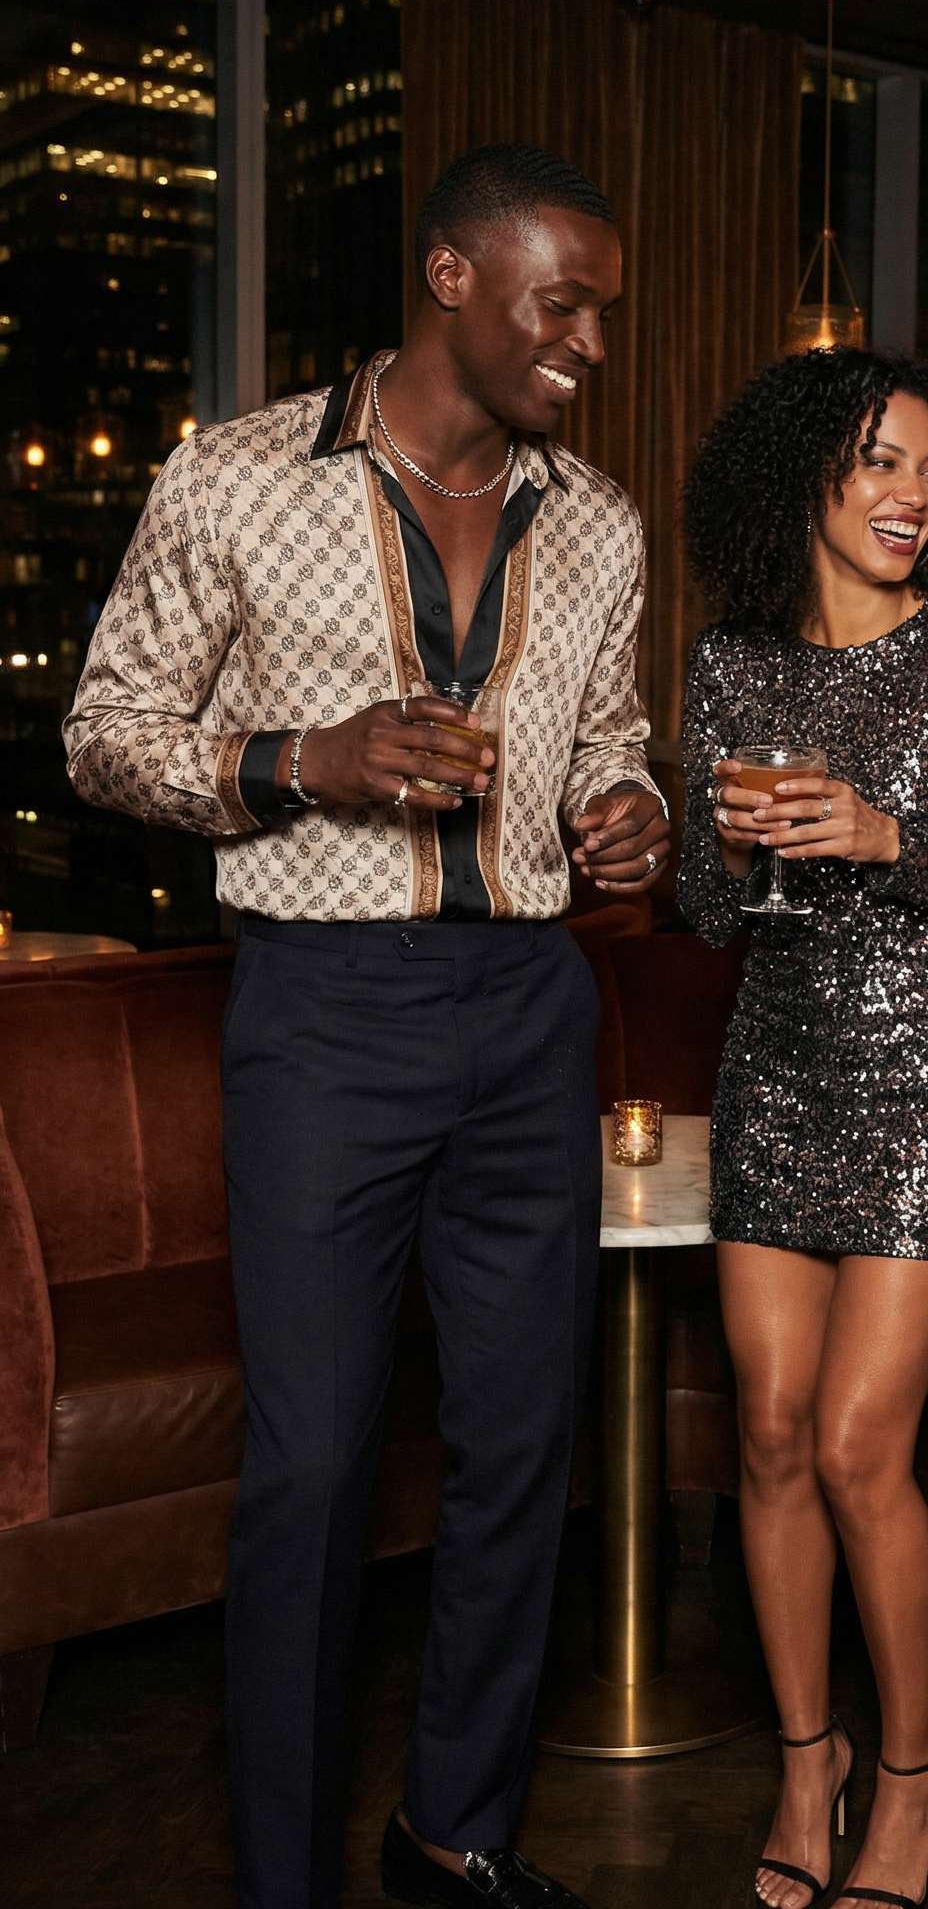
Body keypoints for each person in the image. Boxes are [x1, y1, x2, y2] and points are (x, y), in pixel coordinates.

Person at [63, 143, 672, 1909]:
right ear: (452, 279)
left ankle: (454, 1833)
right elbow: (105, 733)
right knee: (316, 1465)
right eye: (564, 305)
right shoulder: (239, 478)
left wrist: (629, 810)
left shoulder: (602, 521)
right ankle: (284, 1875)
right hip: (324, 1014)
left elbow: (612, 733)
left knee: (523, 1448)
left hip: (535, 1009)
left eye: (604, 314)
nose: (590, 344)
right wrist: (302, 760)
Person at [675, 347, 928, 1909]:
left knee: (854, 1444)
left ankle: (912, 1774)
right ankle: (806, 1759)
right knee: (769, 1434)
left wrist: (883, 833)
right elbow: (707, 913)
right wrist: (729, 847)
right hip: (775, 1067)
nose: (914, 496)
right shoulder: (728, 664)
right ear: (804, 480)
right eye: (881, 462)